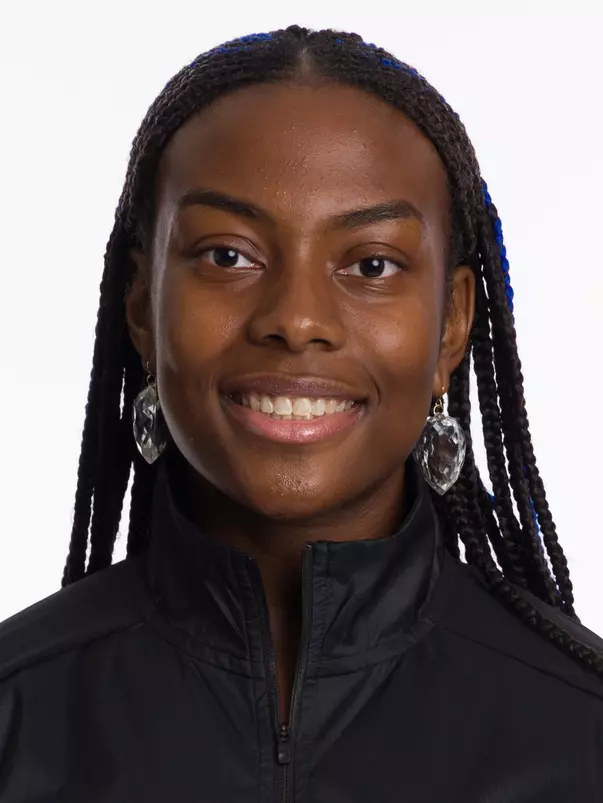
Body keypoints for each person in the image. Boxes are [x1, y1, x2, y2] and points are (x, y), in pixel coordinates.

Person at [0, 24, 601, 802]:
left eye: (370, 264)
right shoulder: (18, 716)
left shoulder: (580, 733)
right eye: (227, 255)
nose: (296, 318)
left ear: (451, 324)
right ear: (140, 307)